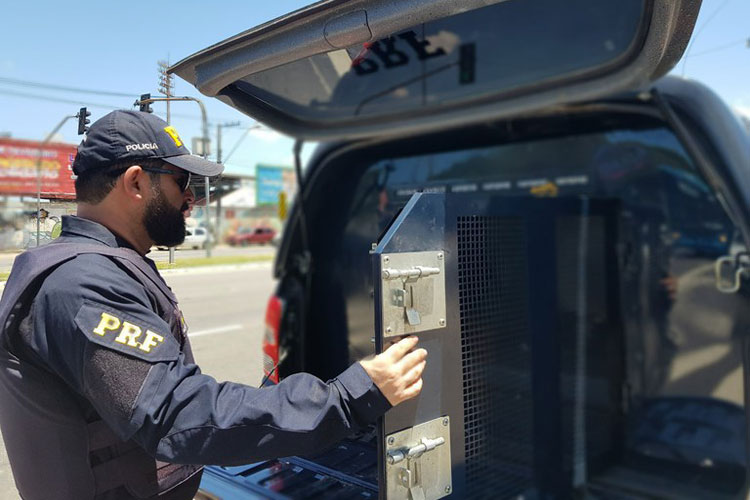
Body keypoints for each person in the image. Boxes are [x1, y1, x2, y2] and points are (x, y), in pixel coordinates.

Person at [0, 110, 427, 500]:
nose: (192, 199)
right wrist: (350, 398)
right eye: (180, 182)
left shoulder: (97, 266)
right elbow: (180, 415)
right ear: (135, 182)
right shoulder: (81, 284)